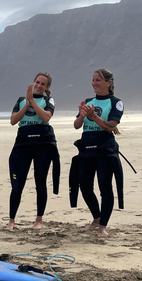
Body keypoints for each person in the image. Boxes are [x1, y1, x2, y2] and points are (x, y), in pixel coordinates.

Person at [70, 69, 124, 238]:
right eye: (93, 80)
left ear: (108, 82)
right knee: (85, 187)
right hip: (86, 150)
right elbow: (77, 125)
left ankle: (103, 226)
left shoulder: (116, 102)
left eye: (98, 80)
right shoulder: (88, 101)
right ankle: (96, 217)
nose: (94, 83)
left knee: (105, 188)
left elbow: (110, 126)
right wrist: (83, 116)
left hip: (105, 151)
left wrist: (94, 117)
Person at [7, 72, 60, 230]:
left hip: (42, 145)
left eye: (43, 84)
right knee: (18, 184)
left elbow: (46, 117)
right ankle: (11, 221)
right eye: (37, 82)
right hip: (23, 144)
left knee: (40, 182)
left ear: (47, 87)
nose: (39, 85)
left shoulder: (48, 100)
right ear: (33, 82)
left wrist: (33, 101)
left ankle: (38, 220)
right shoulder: (20, 100)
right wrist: (27, 103)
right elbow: (13, 121)